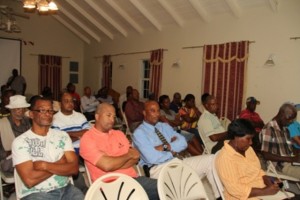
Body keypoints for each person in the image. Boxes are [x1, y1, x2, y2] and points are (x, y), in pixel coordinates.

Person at [133, 100, 221, 199]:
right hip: (158, 168)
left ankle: (219, 197)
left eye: (158, 111)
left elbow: (183, 142)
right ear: (144, 113)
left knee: (210, 160)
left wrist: (164, 147)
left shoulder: (164, 126)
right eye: (153, 111)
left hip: (177, 161)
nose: (157, 114)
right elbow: (152, 158)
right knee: (185, 182)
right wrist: (171, 149)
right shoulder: (139, 133)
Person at [80, 103, 159, 199]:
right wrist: (127, 156)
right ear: (97, 116)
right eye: (108, 115)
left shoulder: (119, 134)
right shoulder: (87, 138)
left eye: (114, 116)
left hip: (133, 180)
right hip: (109, 186)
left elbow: (135, 157)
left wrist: (113, 162)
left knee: (164, 186)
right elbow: (107, 165)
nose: (112, 120)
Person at [12, 96, 84, 200]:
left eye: (50, 110)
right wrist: (59, 164)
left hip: (66, 189)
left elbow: (74, 169)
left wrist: (44, 165)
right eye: (42, 110)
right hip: (36, 193)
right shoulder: (20, 142)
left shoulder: (62, 136)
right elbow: (30, 179)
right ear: (31, 114)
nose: (48, 113)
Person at [216, 119, 281, 200]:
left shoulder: (248, 149)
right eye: (248, 139)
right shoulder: (225, 158)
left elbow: (258, 171)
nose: (251, 143)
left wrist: (270, 183)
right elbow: (235, 190)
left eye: (251, 139)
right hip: (243, 197)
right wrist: (265, 191)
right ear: (236, 137)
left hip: (262, 192)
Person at [52, 92, 89, 193]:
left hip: (84, 147)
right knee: (72, 162)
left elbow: (87, 132)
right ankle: (83, 189)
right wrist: (78, 135)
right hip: (68, 150)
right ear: (60, 104)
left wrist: (67, 134)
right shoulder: (54, 119)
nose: (70, 104)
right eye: (66, 101)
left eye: (71, 101)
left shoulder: (80, 116)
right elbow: (60, 140)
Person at [0, 95, 31, 198]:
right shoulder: (2, 124)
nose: (21, 111)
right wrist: (9, 152)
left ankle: (15, 187)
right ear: (12, 109)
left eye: (23, 108)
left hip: (28, 155)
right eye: (18, 108)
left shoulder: (28, 122)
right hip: (9, 159)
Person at [260, 103, 300, 179]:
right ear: (282, 115)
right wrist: (291, 159)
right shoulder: (269, 129)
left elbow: (289, 150)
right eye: (290, 119)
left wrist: (297, 155)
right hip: (280, 167)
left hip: (290, 163)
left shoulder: (285, 129)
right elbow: (266, 155)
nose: (291, 122)